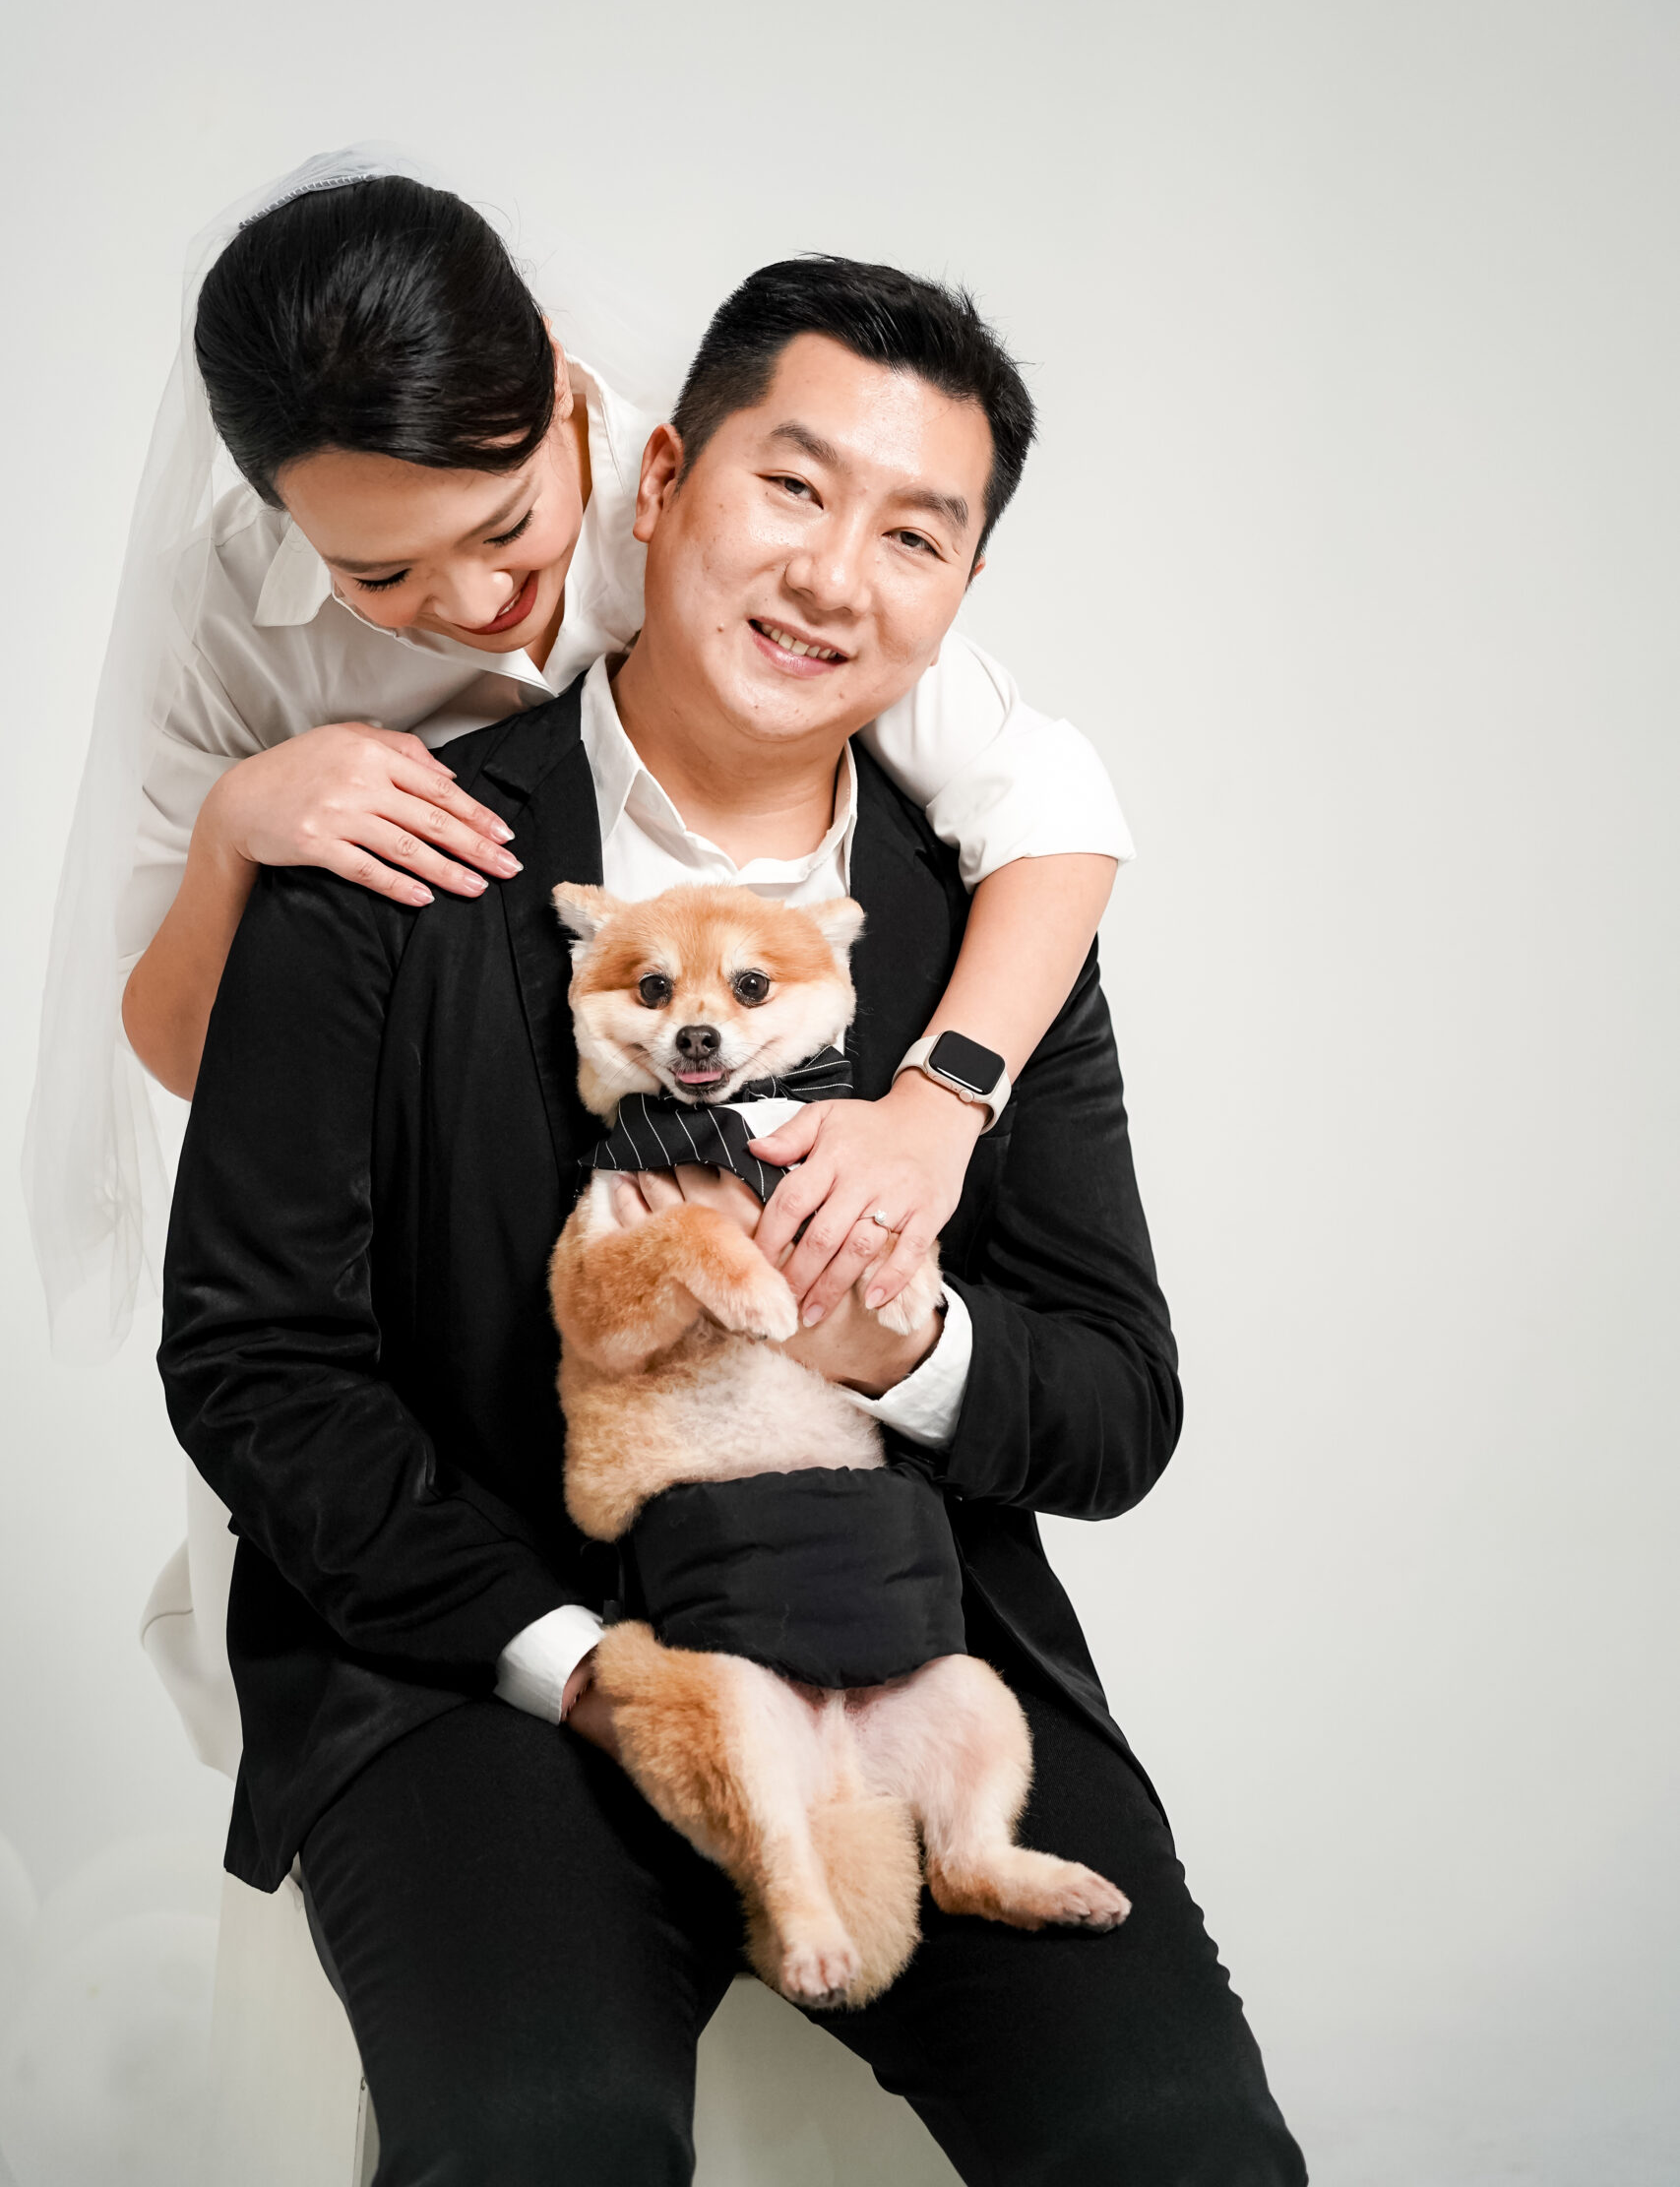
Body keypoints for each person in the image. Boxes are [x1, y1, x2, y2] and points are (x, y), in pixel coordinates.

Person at [159, 256, 1306, 2183]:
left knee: (1180, 2146)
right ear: (664, 477)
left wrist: (909, 1343)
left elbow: (1118, 1400)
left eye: (913, 533)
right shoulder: (379, 851)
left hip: (895, 1643)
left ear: (960, 590)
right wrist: (565, 1658)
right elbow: (255, 1359)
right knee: (541, 2145)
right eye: (792, 486)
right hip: (479, 1666)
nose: (834, 576)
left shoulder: (982, 939)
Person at [25, 149, 1126, 1766]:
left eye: (509, 528)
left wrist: (938, 1106)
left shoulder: (732, 515)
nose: (472, 600)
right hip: (426, 1208)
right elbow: (197, 1053)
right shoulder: (226, 622)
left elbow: (1051, 813)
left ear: (571, 410)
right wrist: (235, 834)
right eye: (379, 575)